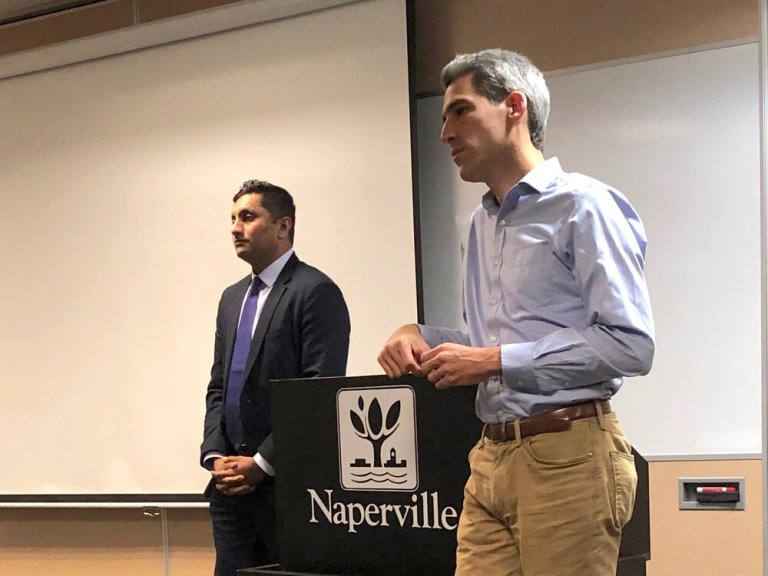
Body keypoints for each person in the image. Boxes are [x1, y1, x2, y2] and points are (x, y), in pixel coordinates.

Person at [378, 49, 654, 576]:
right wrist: (421, 334)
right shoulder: (481, 224)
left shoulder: (584, 205)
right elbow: (491, 343)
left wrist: (494, 361)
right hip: (491, 455)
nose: (445, 133)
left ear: (514, 107)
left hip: (569, 455)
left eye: (460, 111)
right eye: (444, 117)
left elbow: (630, 344)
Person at [200, 179, 350, 576]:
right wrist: (215, 455)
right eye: (233, 219)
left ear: (283, 226)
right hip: (230, 491)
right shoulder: (232, 298)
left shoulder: (314, 291)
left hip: (286, 490)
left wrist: (261, 462)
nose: (235, 228)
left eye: (248, 217)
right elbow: (219, 387)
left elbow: (318, 393)